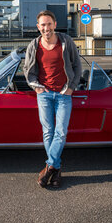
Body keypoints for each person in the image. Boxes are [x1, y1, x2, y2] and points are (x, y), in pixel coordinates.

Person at [24, 10, 82, 188]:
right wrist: (36, 86)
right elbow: (27, 69)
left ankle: (49, 167)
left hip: (64, 93)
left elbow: (77, 65)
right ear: (38, 27)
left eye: (49, 24)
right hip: (45, 94)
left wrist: (71, 87)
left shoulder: (66, 42)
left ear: (55, 24)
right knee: (48, 132)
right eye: (43, 25)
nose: (46, 28)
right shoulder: (34, 45)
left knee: (61, 132)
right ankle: (55, 169)